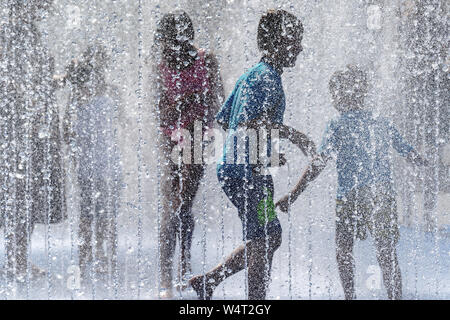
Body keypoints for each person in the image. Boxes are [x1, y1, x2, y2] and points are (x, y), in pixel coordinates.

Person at [184, 9, 309, 300]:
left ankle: (210, 281)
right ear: (278, 41)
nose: (300, 47)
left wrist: (263, 154)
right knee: (262, 238)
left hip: (248, 171)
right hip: (247, 174)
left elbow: (227, 120)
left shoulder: (252, 76)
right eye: (295, 40)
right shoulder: (265, 78)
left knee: (268, 235)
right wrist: (293, 136)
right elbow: (245, 122)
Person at [276, 65, 427, 300]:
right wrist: (424, 162)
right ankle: (395, 297)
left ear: (341, 95)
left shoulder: (337, 125)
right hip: (381, 195)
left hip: (350, 196)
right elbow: (408, 152)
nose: (333, 99)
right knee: (386, 253)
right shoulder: (381, 121)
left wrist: (293, 194)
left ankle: (350, 297)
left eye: (334, 93)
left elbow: (318, 163)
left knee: (343, 250)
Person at [153, 11, 224, 298]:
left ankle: (183, 266)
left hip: (197, 137)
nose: (168, 47)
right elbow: (159, 108)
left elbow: (220, 98)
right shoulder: (161, 67)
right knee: (172, 205)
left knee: (184, 205)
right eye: (165, 42)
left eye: (171, 40)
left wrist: (194, 102)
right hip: (170, 139)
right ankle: (165, 276)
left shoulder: (206, 60)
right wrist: (178, 105)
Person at [0, 0, 66, 284]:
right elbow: (10, 80)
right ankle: (15, 260)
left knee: (29, 196)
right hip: (16, 128)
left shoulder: (29, 32)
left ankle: (18, 257)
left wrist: (59, 80)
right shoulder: (8, 33)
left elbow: (36, 79)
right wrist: (30, 92)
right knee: (17, 194)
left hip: (34, 127)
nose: (43, 8)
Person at [61, 45, 123, 283]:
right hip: (96, 164)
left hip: (100, 164)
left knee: (100, 215)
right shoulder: (85, 95)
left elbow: (67, 133)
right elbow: (67, 133)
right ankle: (96, 258)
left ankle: (96, 258)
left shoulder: (85, 96)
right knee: (96, 215)